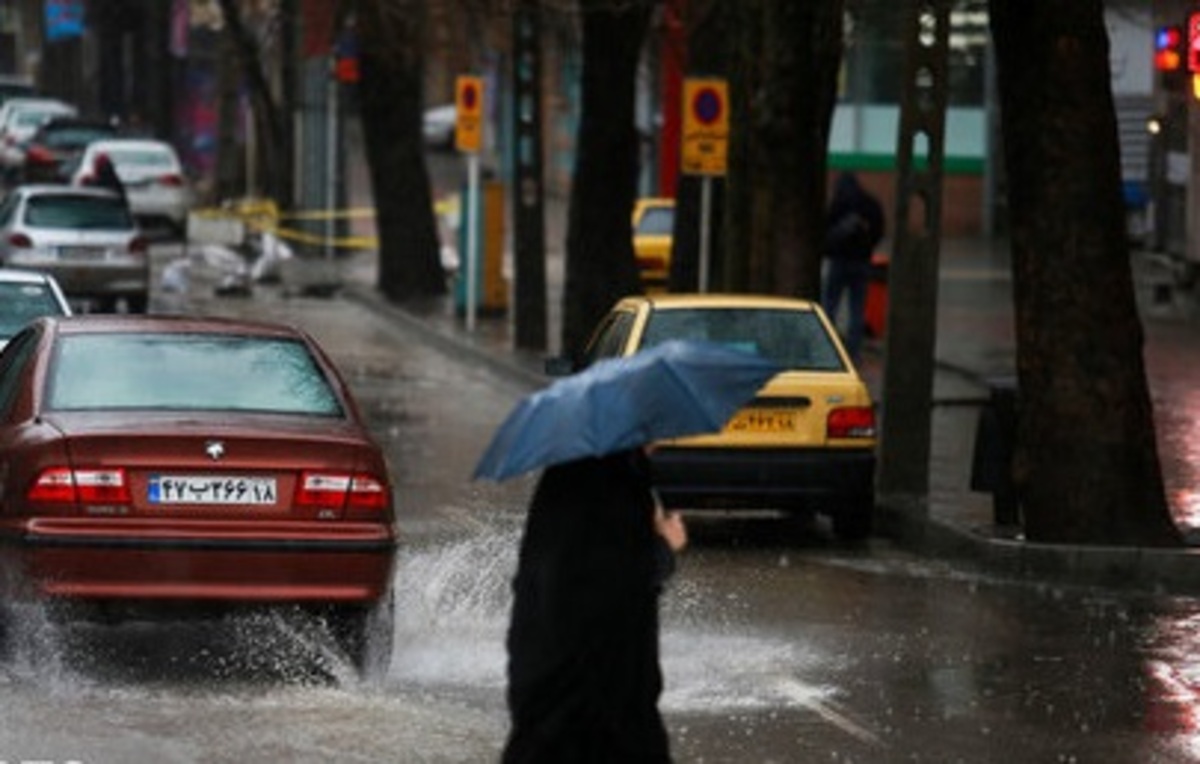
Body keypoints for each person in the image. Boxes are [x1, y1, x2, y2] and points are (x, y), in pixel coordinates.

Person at [502, 449, 687, 764]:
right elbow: (612, 590)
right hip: (593, 718)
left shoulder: (572, 478)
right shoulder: (610, 485)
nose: (663, 439)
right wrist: (664, 546)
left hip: (552, 708)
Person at [821, 172, 884, 362]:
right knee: (857, 311)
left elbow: (826, 230)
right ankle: (854, 354)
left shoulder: (838, 204)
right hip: (862, 263)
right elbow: (880, 229)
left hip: (839, 262)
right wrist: (868, 247)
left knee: (830, 306)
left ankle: (827, 351)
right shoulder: (870, 204)